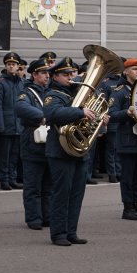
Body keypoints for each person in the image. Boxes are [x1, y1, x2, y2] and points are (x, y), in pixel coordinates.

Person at [44, 57, 101, 246]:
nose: (71, 77)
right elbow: (53, 115)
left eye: (72, 73)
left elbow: (87, 118)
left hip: (79, 151)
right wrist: (81, 112)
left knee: (77, 193)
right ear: (55, 76)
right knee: (62, 193)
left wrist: (98, 117)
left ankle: (71, 232)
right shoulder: (53, 94)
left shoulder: (78, 92)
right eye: (65, 74)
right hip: (60, 151)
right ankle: (58, 233)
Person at [109, 58, 137, 221]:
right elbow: (112, 115)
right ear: (125, 71)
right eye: (134, 69)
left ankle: (136, 205)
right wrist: (126, 113)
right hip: (127, 139)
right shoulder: (119, 91)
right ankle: (128, 208)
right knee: (128, 176)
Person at [15, 58, 53, 229]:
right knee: (32, 185)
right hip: (32, 140)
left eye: (48, 73)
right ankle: (33, 218)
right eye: (43, 73)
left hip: (50, 141)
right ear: (34, 74)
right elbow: (20, 107)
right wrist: (41, 116)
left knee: (48, 184)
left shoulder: (50, 92)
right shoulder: (27, 92)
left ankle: (47, 216)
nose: (47, 76)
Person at [0, 52, 24, 190]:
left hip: (18, 124)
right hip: (6, 124)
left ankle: (12, 178)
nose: (11, 67)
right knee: (4, 155)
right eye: (9, 64)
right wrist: (0, 126)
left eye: (14, 64)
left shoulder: (20, 83)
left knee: (14, 155)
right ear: (5, 66)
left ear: (18, 66)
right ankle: (4, 179)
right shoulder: (0, 83)